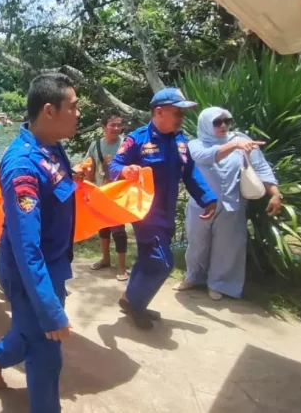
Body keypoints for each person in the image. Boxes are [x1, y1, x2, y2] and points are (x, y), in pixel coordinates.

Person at [0, 73, 79, 412]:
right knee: (46, 352)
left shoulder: (51, 146)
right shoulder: (22, 164)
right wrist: (51, 309)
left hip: (51, 265)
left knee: (29, 332)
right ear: (50, 111)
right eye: (74, 106)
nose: (79, 113)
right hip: (28, 273)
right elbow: (27, 248)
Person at [109, 88, 217, 330]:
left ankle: (129, 298)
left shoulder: (180, 142)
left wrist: (208, 198)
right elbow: (115, 165)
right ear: (159, 112)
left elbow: (191, 175)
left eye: (183, 113)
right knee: (161, 262)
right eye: (177, 112)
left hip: (166, 213)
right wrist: (125, 171)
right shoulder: (137, 139)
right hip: (145, 213)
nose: (181, 117)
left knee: (148, 258)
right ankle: (136, 304)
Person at [174, 107, 281, 300]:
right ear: (206, 123)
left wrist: (275, 193)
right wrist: (234, 146)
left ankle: (219, 284)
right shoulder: (195, 144)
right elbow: (207, 156)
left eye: (227, 121)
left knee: (227, 247)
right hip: (202, 204)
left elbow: (261, 167)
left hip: (232, 203)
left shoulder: (242, 141)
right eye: (217, 122)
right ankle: (193, 277)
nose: (223, 126)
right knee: (197, 244)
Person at [83, 113, 130, 281]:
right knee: (102, 227)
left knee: (118, 230)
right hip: (99, 193)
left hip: (118, 195)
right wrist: (87, 191)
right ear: (104, 128)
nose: (116, 128)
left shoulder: (126, 145)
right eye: (112, 125)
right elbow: (90, 168)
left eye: (119, 125)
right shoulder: (95, 145)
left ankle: (122, 267)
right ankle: (105, 259)